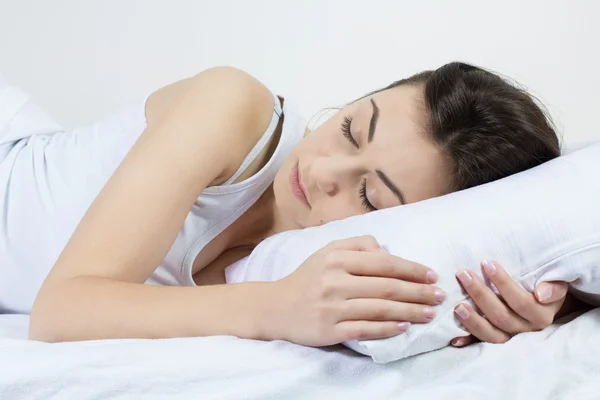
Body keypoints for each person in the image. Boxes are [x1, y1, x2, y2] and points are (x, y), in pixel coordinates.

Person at [0, 62, 568, 347]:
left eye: (368, 195)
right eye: (350, 129)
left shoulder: (337, 264)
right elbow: (61, 311)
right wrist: (273, 308)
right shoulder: (233, 108)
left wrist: (549, 307)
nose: (320, 172)